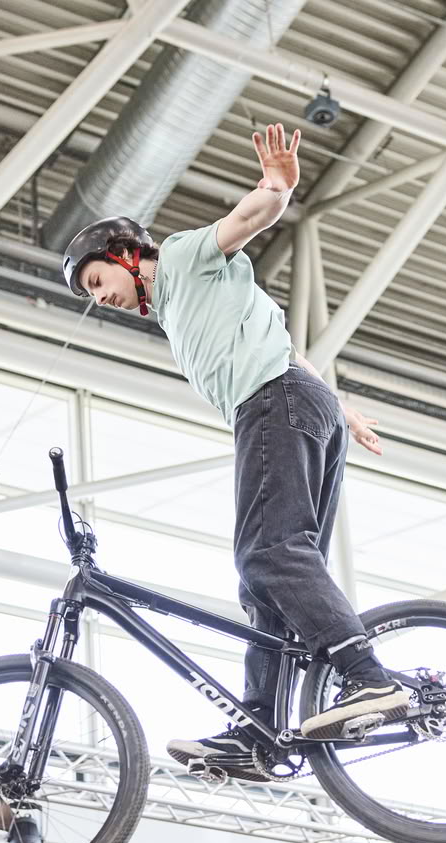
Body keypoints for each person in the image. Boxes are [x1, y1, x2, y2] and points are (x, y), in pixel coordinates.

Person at [59, 123, 404, 781]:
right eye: (93, 295)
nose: (100, 299)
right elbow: (283, 343)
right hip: (296, 400)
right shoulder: (180, 310)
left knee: (269, 555)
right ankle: (259, 728)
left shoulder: (184, 258)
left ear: (128, 254)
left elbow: (248, 218)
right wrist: (340, 408)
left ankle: (368, 677)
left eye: (98, 280)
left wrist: (277, 186)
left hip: (274, 402)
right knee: (265, 577)